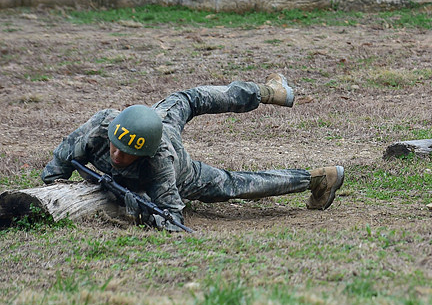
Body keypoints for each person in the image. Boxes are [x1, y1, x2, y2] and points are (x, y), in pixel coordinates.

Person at [41, 75, 345, 231]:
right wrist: (52, 187)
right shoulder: (102, 126)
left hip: (182, 168)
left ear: (144, 153)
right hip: (156, 121)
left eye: (127, 153)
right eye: (115, 147)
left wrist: (143, 213)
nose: (117, 156)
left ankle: (318, 178)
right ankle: (270, 92)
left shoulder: (161, 162)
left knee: (234, 184)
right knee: (189, 97)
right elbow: (62, 158)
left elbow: (173, 218)